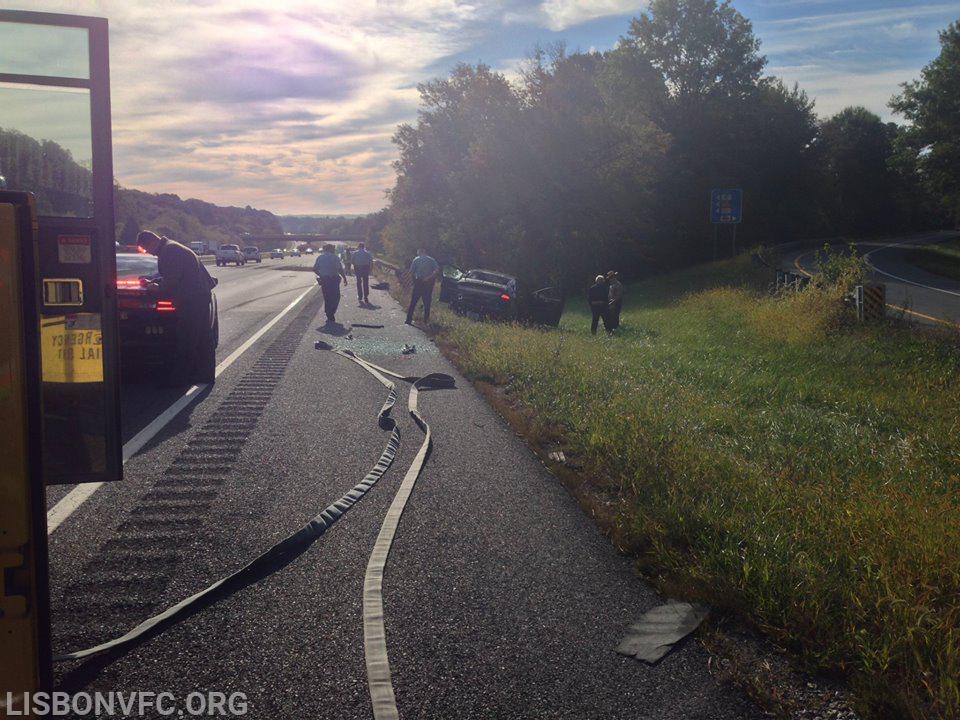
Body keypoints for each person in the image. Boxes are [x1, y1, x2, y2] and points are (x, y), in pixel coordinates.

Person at [137, 230, 216, 384]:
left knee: (187, 338)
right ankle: (204, 374)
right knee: (201, 337)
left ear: (152, 241)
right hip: (198, 295)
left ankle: (180, 379)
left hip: (192, 298)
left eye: (146, 249)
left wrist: (155, 287)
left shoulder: (169, 251)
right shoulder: (172, 247)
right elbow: (175, 275)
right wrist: (154, 281)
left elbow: (172, 280)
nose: (149, 253)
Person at [313, 243, 348, 323]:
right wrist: (344, 278)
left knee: (327, 297)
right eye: (333, 249)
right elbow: (340, 269)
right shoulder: (335, 257)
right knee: (336, 297)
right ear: (331, 249)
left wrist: (321, 275)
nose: (334, 250)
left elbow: (315, 269)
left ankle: (328, 313)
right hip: (334, 279)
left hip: (325, 279)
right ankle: (331, 312)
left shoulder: (320, 257)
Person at [405, 248, 440, 325]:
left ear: (420, 252)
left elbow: (411, 272)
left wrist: (413, 282)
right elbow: (437, 270)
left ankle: (408, 319)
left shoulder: (416, 259)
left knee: (413, 302)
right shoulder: (432, 260)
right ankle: (425, 321)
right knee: (427, 303)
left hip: (418, 282)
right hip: (428, 284)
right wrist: (429, 277)